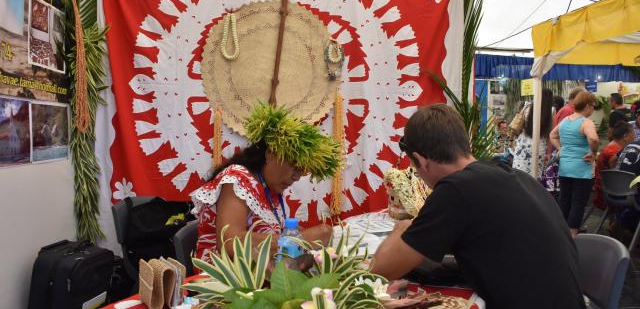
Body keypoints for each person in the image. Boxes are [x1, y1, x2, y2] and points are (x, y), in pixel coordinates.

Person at [371, 104, 585, 309]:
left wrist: (402, 228)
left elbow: (380, 271)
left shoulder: (456, 190)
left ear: (421, 160)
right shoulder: (517, 177)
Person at [190, 104, 338, 263]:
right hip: (223, 278)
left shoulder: (269, 188)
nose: (297, 177)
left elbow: (274, 234)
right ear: (270, 153)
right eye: (295, 167)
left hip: (258, 270)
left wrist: (306, 237)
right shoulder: (237, 179)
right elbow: (230, 244)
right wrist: (297, 240)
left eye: (302, 172)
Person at [549, 91, 599, 237]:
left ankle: (561, 233)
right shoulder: (586, 122)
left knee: (564, 200)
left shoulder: (565, 121)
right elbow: (594, 139)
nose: (593, 110)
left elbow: (552, 135)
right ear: (588, 106)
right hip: (582, 169)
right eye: (593, 107)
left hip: (565, 167)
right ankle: (572, 235)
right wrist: (593, 152)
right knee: (578, 203)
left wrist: (560, 148)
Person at [593, 122, 634, 213]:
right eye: (633, 134)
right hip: (610, 193)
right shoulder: (616, 152)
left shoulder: (611, 146)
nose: (635, 137)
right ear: (625, 136)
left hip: (604, 189)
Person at [512, 88, 553, 175]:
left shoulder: (527, 106)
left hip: (523, 144)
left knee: (519, 173)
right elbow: (550, 134)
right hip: (539, 145)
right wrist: (549, 153)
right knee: (534, 175)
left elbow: (519, 125)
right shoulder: (551, 111)